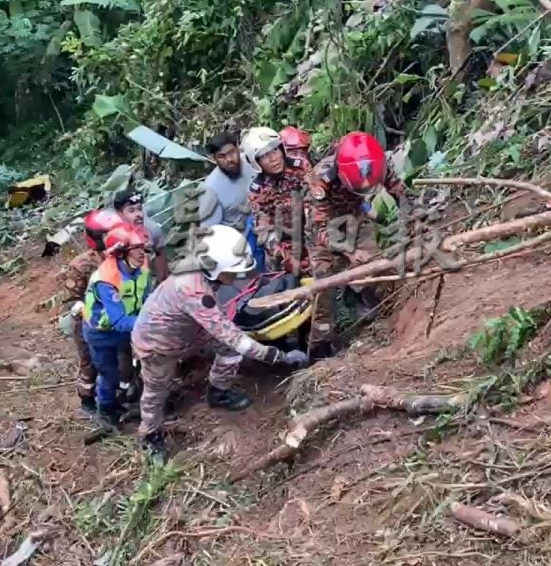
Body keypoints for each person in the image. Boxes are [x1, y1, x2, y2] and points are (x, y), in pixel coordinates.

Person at [131, 225, 309, 459]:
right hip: (158, 344)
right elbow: (235, 338)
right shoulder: (193, 290)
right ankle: (150, 435)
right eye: (233, 271)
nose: (237, 276)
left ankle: (218, 391)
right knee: (156, 391)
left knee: (227, 350)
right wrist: (278, 356)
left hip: (189, 329)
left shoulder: (202, 274)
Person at [305, 131, 405, 358]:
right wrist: (349, 251)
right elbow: (319, 229)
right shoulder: (321, 178)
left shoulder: (377, 162)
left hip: (355, 217)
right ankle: (319, 349)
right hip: (326, 225)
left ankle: (381, 315)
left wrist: (418, 217)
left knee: (377, 266)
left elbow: (401, 192)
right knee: (324, 289)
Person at [82, 221, 153, 425]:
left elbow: (147, 297)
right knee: (109, 374)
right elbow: (119, 320)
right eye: (136, 249)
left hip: (130, 325)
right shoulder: (107, 279)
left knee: (131, 366)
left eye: (142, 248)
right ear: (121, 253)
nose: (142, 254)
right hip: (102, 333)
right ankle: (105, 411)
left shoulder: (141, 266)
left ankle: (132, 401)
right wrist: (151, 322)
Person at [61, 208, 123, 415]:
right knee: (89, 363)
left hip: (117, 318)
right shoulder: (82, 265)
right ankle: (87, 400)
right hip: (88, 321)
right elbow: (71, 299)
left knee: (117, 362)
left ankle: (115, 397)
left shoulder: (124, 256)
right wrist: (89, 311)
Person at [244, 127, 311, 275]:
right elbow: (265, 233)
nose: (273, 158)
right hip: (283, 245)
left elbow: (315, 205)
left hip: (312, 233)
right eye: (264, 155)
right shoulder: (257, 191)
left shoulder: (300, 168)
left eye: (274, 150)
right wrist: (286, 258)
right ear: (256, 162)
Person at [197, 132, 257, 231]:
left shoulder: (251, 162)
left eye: (231, 152)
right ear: (214, 159)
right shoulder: (210, 189)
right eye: (221, 156)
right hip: (240, 238)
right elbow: (209, 231)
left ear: (238, 147)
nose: (229, 159)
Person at [112, 189, 169, 283]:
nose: (138, 214)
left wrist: (161, 285)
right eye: (131, 210)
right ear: (119, 214)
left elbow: (160, 254)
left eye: (139, 209)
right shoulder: (110, 234)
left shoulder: (152, 230)